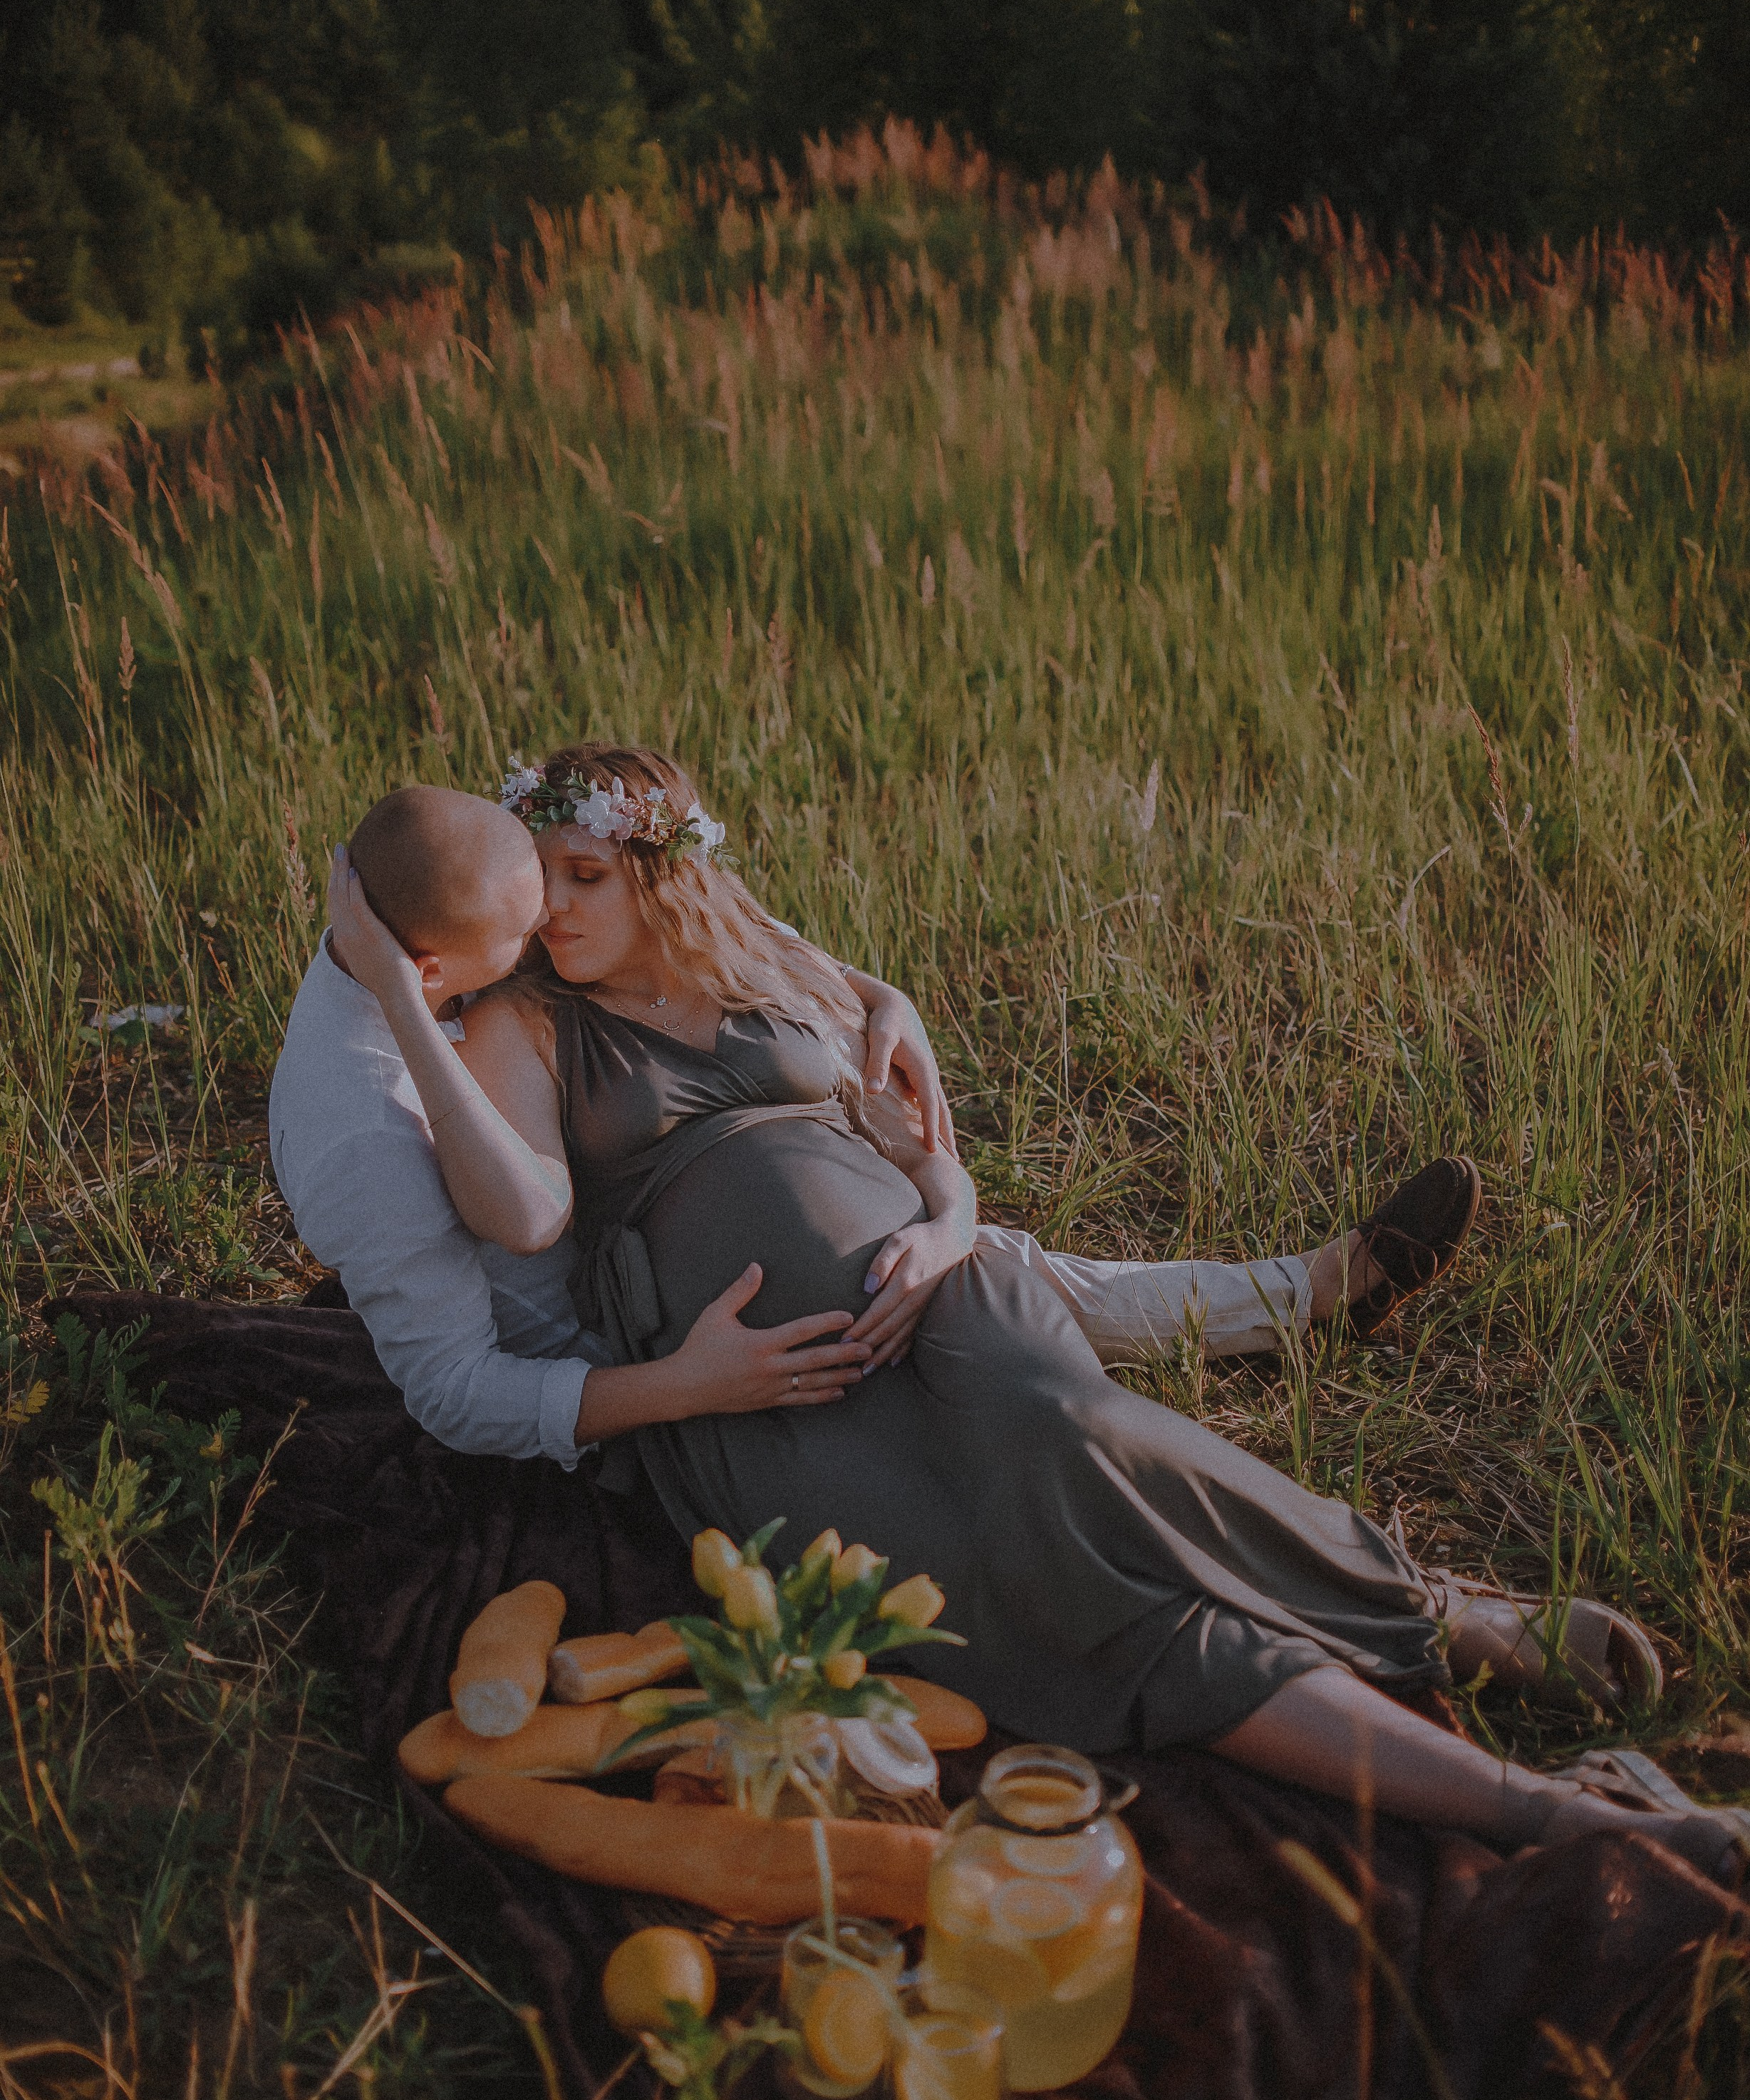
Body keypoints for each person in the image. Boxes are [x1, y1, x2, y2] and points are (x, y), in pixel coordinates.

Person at [328, 743, 1739, 1881]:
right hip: (765, 1381)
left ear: (660, 874)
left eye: (584, 877)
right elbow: (518, 1214)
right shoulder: (528, 1022)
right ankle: (1532, 1806)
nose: (551, 912)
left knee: (1069, 1422)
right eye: (543, 881)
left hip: (933, 1279)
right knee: (1063, 1596)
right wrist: (399, 990)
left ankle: (1429, 1608)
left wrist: (946, 1227)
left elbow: (901, 1076)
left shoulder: (739, 949)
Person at [271, 784, 1467, 1471]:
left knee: (979, 1269)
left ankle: (1299, 1298)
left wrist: (876, 995)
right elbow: (469, 1385)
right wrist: (681, 1388)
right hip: (620, 1355)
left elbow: (669, 908)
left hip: (742, 1239)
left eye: (562, 891)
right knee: (976, 1315)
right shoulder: (367, 1119)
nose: (545, 941)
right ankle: (1270, 1329)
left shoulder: (458, 927)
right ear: (433, 976)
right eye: (523, 935)